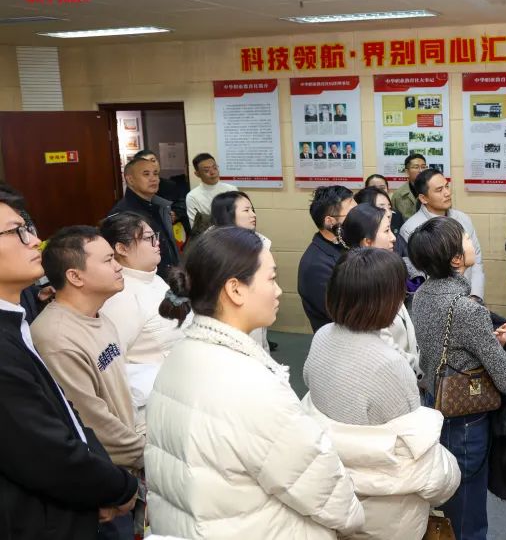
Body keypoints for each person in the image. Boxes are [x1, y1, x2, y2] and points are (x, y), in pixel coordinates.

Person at [146, 226, 365, 539]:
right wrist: (353, 516)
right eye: (271, 278)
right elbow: (320, 487)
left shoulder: (180, 355)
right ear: (235, 289)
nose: (278, 291)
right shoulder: (250, 384)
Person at [0, 186, 139, 539]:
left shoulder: (17, 321)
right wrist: (120, 487)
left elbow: (68, 417)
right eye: (17, 232)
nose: (35, 241)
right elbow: (45, 451)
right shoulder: (42, 336)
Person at [302, 247, 460, 539]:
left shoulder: (323, 336)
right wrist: (451, 472)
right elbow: (416, 452)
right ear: (386, 300)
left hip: (335, 491)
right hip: (385, 511)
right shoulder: (388, 365)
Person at [409, 216, 506, 540]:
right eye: (464, 238)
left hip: (434, 404)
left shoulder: (422, 295)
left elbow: (446, 350)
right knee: (467, 513)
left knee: (448, 500)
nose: (471, 242)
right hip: (466, 418)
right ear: (455, 259)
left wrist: (487, 344)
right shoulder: (466, 309)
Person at [32, 226, 145, 538]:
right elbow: (92, 423)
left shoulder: (99, 317)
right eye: (108, 260)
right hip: (102, 485)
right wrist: (150, 455)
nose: (119, 266)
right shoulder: (56, 338)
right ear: (75, 276)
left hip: (126, 471)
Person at [99, 212, 188, 423]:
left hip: (181, 386)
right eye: (148, 238)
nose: (157, 243)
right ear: (122, 249)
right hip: (153, 404)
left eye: (156, 236)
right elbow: (114, 367)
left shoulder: (154, 279)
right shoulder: (120, 296)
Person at [340, 203, 419, 376]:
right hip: (392, 375)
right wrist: (421, 371)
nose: (393, 238)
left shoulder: (384, 274)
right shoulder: (363, 287)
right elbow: (386, 346)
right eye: (386, 231)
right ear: (367, 242)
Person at [399, 168, 486, 302]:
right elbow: (419, 275)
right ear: (423, 198)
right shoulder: (411, 228)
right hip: (438, 302)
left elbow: (477, 259)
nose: (447, 193)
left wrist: (475, 296)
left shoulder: (463, 218)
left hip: (470, 297)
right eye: (439, 190)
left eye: (446, 186)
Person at [210, 191, 275, 352]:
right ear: (228, 214)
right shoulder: (213, 249)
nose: (253, 215)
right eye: (246, 210)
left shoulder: (259, 243)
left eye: (252, 209)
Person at [110, 156, 180, 277]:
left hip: (168, 277)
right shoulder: (123, 214)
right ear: (130, 179)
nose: (154, 179)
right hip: (145, 280)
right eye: (146, 174)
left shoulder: (160, 206)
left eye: (156, 174)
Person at [298, 186, 355, 332]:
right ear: (330, 221)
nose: (358, 218)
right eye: (352, 213)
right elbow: (343, 313)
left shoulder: (347, 244)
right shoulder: (316, 265)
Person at [185, 153, 237, 229]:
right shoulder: (192, 196)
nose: (212, 172)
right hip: (210, 235)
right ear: (197, 174)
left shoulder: (231, 189)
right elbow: (196, 227)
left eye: (215, 168)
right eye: (206, 170)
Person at [391, 153, 426, 220]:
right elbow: (394, 220)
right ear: (407, 171)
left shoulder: (433, 191)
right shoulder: (398, 195)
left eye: (423, 167)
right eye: (416, 167)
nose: (421, 171)